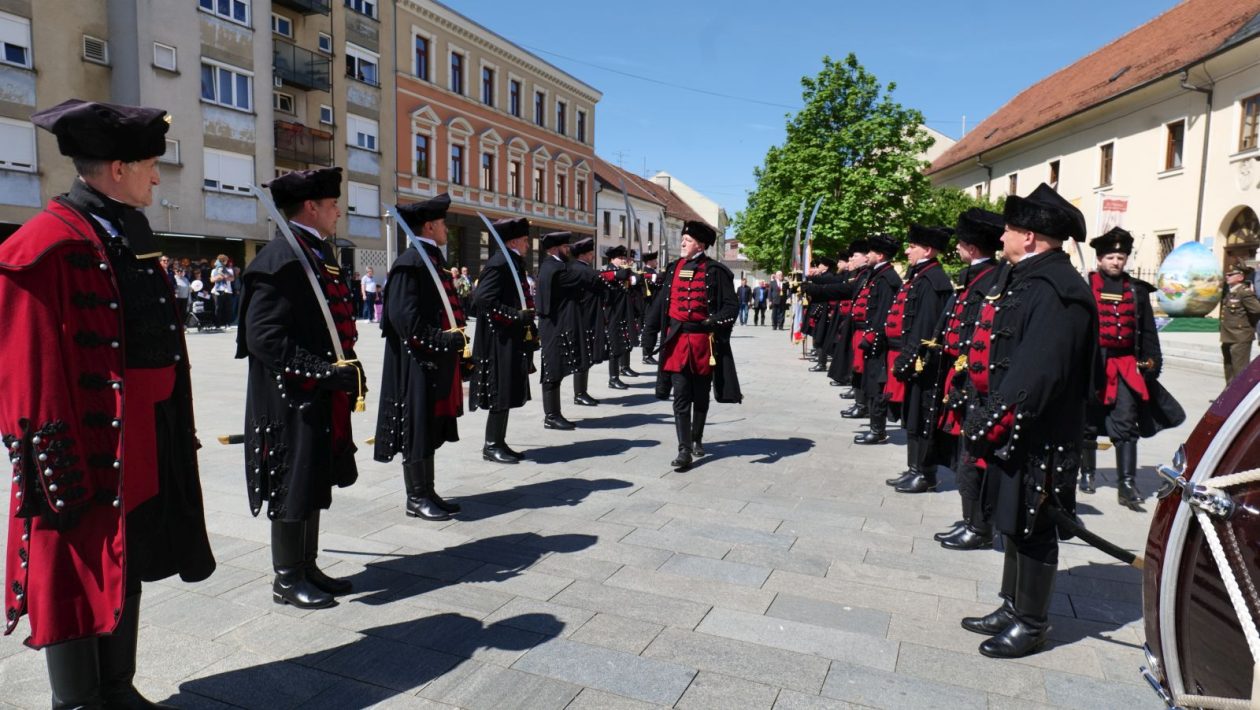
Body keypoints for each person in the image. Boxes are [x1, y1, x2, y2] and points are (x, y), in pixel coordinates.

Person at [1, 98, 215, 707]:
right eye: (150, 164)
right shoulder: (45, 243)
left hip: (140, 433)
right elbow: (25, 372)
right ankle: (79, 703)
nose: (157, 176)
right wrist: (55, 472)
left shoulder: (121, 228)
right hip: (77, 450)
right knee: (70, 569)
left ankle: (118, 689)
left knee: (125, 556)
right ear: (117, 167)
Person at [959, 183, 1097, 659]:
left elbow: (1039, 372)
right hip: (1018, 428)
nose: (1002, 239)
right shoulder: (1029, 278)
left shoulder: (1059, 290)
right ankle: (1011, 606)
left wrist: (990, 422)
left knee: (1034, 524)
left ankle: (1033, 624)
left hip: (1040, 433)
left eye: (1011, 231)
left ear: (1033, 238)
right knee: (1012, 519)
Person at [237, 166, 364, 611]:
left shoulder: (314, 254)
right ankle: (287, 578)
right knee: (292, 482)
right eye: (332, 206)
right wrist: (323, 370)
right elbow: (264, 337)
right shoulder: (280, 260)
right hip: (289, 395)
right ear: (310, 207)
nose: (338, 213)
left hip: (316, 392)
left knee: (312, 479)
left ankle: (307, 565)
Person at [374, 193, 469, 522]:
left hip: (434, 361)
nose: (446, 229)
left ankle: (427, 490)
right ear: (429, 226)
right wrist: (443, 340)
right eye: (442, 223)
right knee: (415, 427)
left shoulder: (432, 262)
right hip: (415, 362)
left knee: (428, 426)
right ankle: (415, 497)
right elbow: (404, 320)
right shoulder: (410, 263)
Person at [1080, 227, 1184, 511]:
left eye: (1121, 257)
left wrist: (1152, 362)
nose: (1116, 262)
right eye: (1111, 257)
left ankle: (1127, 483)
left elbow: (1148, 331)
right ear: (1100, 259)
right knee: (1087, 422)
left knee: (1126, 423)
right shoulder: (1084, 287)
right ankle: (1087, 473)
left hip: (1125, 365)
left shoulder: (1137, 291)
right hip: (1093, 365)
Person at [924, 208, 1004, 550]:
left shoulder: (990, 280)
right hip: (959, 379)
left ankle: (980, 526)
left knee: (973, 458)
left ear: (970, 247)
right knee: (964, 457)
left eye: (960, 243)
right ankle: (971, 518)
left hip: (972, 382)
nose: (956, 247)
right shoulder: (974, 277)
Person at [643, 221, 741, 470]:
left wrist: (714, 321)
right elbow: (659, 304)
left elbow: (731, 307)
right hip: (676, 341)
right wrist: (649, 335)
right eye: (683, 239)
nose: (682, 243)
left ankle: (696, 437)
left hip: (702, 343)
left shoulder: (716, 271)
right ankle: (684, 449)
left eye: (687, 239)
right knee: (681, 395)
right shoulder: (674, 268)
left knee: (701, 395)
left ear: (701, 244)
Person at [810, 235, 902, 443]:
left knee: (876, 383)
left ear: (879, 255)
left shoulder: (888, 278)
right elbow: (846, 289)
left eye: (869, 252)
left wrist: (872, 337)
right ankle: (868, 418)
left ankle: (878, 430)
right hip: (861, 332)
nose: (867, 255)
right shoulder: (871, 274)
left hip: (873, 337)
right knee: (863, 377)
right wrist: (814, 290)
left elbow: (884, 312)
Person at [885, 225, 955, 493]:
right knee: (912, 416)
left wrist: (908, 358)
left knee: (923, 415)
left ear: (927, 250)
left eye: (912, 246)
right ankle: (914, 467)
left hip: (924, 363)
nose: (906, 250)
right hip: (915, 361)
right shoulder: (921, 276)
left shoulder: (931, 280)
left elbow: (925, 327)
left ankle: (925, 472)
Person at [537, 232, 629, 430]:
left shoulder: (556, 266)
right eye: (564, 247)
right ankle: (551, 416)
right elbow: (582, 274)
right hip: (553, 325)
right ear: (554, 249)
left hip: (557, 324)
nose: (568, 249)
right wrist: (612, 274)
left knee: (557, 370)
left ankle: (554, 414)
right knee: (552, 371)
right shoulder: (554, 268)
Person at [470, 217, 537, 463]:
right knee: (500, 389)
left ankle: (499, 441)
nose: (528, 246)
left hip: (511, 336)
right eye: (525, 241)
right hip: (498, 339)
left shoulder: (513, 262)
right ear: (513, 241)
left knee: (508, 389)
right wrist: (514, 315)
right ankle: (491, 445)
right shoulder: (500, 263)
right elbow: (481, 299)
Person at [570, 237, 606, 405]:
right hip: (585, 318)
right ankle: (579, 393)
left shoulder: (575, 268)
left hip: (585, 317)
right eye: (590, 253)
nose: (592, 256)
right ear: (583, 255)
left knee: (585, 356)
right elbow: (601, 280)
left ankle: (581, 392)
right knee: (583, 357)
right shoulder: (583, 270)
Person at [602, 245, 639, 388]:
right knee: (614, 346)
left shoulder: (622, 271)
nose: (623, 260)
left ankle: (622, 370)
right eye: (620, 258)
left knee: (623, 342)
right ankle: (613, 378)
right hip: (612, 313)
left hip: (623, 312)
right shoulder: (608, 270)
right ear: (612, 259)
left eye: (624, 258)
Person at [1220, 264, 1260, 384]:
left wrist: (1248, 327)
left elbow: (1257, 310)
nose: (1227, 276)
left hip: (1240, 336)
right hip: (1228, 335)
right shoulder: (1231, 292)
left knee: (1240, 370)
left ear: (1240, 277)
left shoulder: (1244, 292)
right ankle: (1228, 394)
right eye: (1227, 274)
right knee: (1229, 369)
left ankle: (1239, 396)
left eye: (1231, 275)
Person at [641, 251, 662, 364]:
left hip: (655, 304)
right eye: (655, 260)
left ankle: (648, 353)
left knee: (653, 329)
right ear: (649, 261)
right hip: (650, 304)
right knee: (649, 329)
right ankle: (647, 355)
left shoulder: (652, 272)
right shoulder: (646, 272)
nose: (656, 262)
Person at [210, 252, 235, 328]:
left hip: (227, 290)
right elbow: (212, 280)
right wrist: (218, 277)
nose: (226, 262)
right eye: (225, 260)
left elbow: (232, 278)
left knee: (228, 308)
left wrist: (224, 277)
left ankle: (228, 323)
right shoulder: (214, 270)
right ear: (222, 261)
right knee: (218, 308)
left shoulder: (229, 270)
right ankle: (217, 324)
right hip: (217, 291)